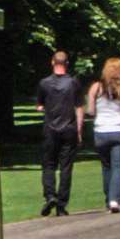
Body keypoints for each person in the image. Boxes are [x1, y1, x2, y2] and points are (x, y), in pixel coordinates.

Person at [84, 57, 120, 213]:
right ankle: (114, 199)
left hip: (101, 131)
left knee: (106, 166)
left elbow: (90, 111)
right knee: (117, 166)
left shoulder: (96, 88)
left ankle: (109, 199)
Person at [36, 49, 82, 216]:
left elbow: (40, 105)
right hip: (69, 128)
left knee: (48, 165)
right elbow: (78, 107)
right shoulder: (73, 83)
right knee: (66, 167)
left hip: (50, 128)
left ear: (52, 62)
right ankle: (61, 205)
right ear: (67, 63)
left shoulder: (44, 83)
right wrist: (79, 129)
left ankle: (49, 196)